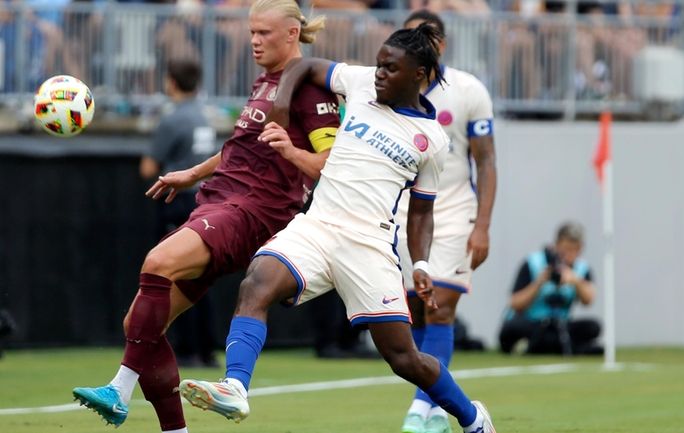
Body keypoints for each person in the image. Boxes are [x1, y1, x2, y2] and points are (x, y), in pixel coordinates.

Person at [179, 23, 496, 433]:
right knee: (256, 282)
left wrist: (419, 264)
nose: (379, 73)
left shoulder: (431, 140)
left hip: (369, 247)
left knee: (404, 359)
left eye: (390, 68)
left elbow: (421, 211)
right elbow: (305, 66)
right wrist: (281, 104)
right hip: (318, 225)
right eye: (379, 64)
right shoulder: (361, 81)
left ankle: (472, 419)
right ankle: (235, 386)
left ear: (418, 75)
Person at [72, 2, 342, 432]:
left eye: (264, 33)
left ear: (292, 34)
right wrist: (192, 173)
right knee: (140, 324)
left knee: (157, 263)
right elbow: (243, 147)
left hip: (253, 210)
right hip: (219, 201)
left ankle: (119, 390)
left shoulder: (311, 90)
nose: (254, 41)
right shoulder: (267, 80)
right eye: (252, 32)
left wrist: (291, 152)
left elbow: (330, 162)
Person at [393, 10, 497, 433]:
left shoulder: (469, 90)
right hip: (405, 212)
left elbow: (486, 160)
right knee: (414, 311)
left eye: (429, 35)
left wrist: (483, 225)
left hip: (455, 210)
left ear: (443, 44)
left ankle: (421, 409)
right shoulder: (390, 87)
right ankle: (439, 404)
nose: (423, 41)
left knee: (442, 308)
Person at [139, 57, 220, 368]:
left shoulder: (172, 119)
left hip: (177, 199)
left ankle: (186, 349)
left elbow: (148, 167)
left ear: (171, 81)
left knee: (171, 274)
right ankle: (207, 349)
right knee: (201, 275)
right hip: (205, 201)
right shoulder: (205, 116)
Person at [498, 222, 601, 356]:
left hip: (560, 326)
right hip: (532, 323)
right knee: (511, 329)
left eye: (575, 249)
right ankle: (573, 348)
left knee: (593, 327)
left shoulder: (581, 269)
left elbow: (588, 300)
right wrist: (539, 283)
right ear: (556, 245)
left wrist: (576, 281)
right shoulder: (533, 262)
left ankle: (536, 347)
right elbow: (515, 303)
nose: (570, 254)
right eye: (566, 249)